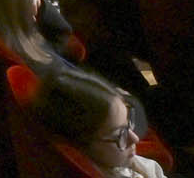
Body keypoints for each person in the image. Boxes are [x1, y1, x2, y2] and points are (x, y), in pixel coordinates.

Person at [32, 67, 163, 178]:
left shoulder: (116, 160)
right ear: (82, 147)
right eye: (119, 135)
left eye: (129, 121)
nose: (135, 138)